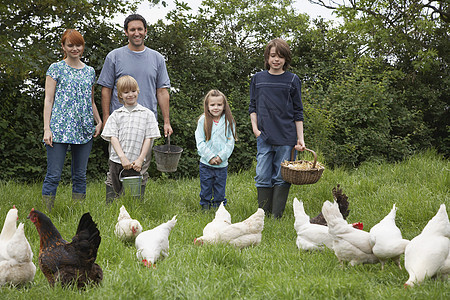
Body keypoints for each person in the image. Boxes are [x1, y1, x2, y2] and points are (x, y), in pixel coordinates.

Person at [97, 14, 172, 201]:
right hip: (120, 121)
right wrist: (106, 117)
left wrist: (166, 121)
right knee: (116, 163)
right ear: (126, 32)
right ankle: (113, 204)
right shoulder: (114, 56)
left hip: (146, 123)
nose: (136, 33)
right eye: (132, 29)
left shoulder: (157, 58)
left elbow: (162, 91)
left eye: (140, 29)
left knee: (142, 164)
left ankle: (135, 205)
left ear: (145, 31)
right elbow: (106, 89)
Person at [42, 29, 102, 211]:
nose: (75, 48)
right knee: (53, 175)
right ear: (63, 47)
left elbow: (90, 100)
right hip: (59, 129)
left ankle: (78, 214)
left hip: (84, 129)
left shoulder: (90, 71)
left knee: (80, 176)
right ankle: (46, 214)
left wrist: (98, 121)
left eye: (78, 45)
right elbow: (48, 100)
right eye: (70, 45)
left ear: (82, 47)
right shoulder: (55, 68)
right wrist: (47, 128)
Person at [248, 38, 306, 219]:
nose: (276, 60)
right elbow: (253, 107)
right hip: (264, 137)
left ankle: (276, 216)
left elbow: (298, 111)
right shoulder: (257, 79)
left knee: (282, 177)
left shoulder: (292, 80)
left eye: (280, 57)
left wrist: (300, 138)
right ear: (267, 57)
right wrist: (256, 130)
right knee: (263, 175)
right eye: (273, 56)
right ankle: (263, 215)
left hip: (287, 138)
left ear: (285, 59)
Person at [101, 75, 161, 202]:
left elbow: (149, 138)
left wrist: (140, 159)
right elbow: (113, 137)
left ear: (138, 91)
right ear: (120, 95)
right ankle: (111, 211)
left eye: (133, 91)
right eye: (126, 92)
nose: (130, 95)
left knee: (136, 186)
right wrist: (122, 157)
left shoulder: (147, 114)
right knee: (113, 183)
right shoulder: (116, 115)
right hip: (117, 159)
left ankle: (135, 210)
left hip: (137, 162)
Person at [195, 90, 237, 210]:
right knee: (206, 188)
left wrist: (220, 157)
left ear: (224, 106)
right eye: (212, 105)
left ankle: (219, 209)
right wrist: (210, 157)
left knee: (219, 189)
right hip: (206, 164)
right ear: (207, 106)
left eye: (219, 104)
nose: (216, 107)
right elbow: (200, 141)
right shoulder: (203, 120)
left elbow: (230, 142)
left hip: (221, 165)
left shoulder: (229, 121)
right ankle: (205, 208)